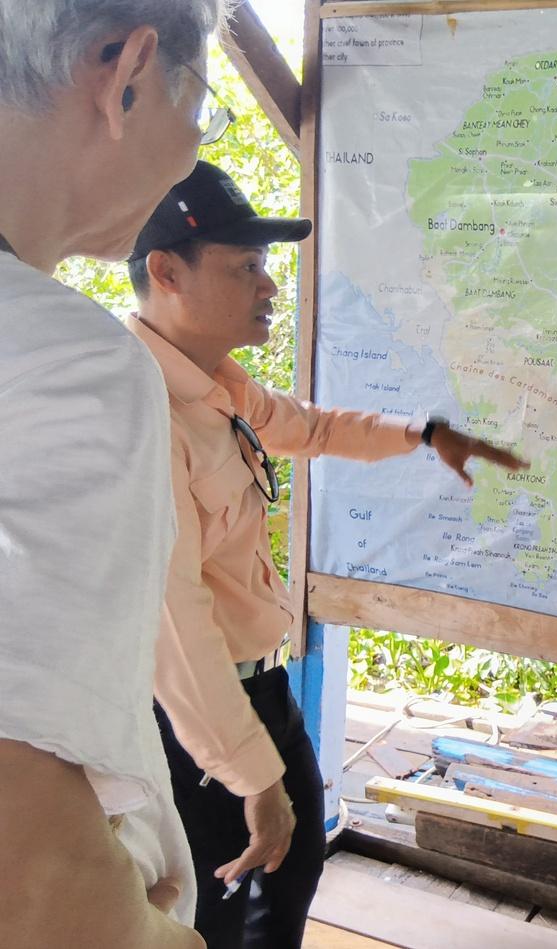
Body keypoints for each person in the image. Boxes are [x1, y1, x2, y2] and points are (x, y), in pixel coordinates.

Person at [127, 159, 529, 948]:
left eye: (265, 265)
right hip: (192, 723)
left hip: (262, 691)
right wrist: (251, 775)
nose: (269, 285)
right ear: (167, 272)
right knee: (214, 917)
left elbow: (308, 426)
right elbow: (175, 628)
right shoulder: (143, 410)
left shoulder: (219, 387)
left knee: (292, 874)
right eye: (245, 267)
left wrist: (423, 433)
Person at [0, 3, 229, 946]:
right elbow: (29, 878)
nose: (194, 146)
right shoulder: (70, 365)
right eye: (202, 108)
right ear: (127, 73)